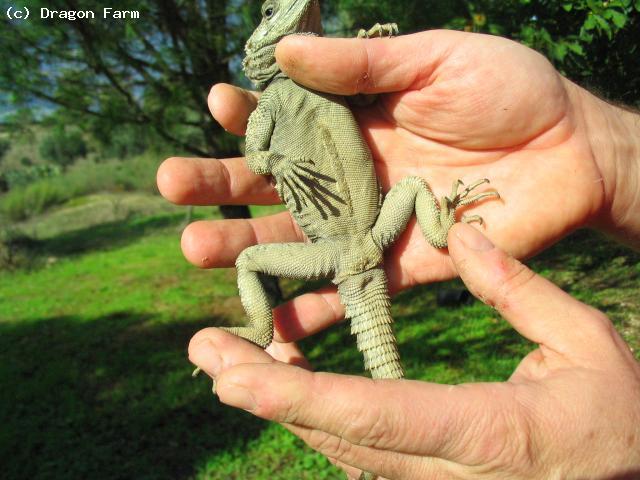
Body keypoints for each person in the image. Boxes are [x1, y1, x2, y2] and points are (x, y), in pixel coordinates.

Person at [157, 30, 640, 479]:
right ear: (258, 45)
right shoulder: (266, 108)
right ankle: (262, 328)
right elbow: (257, 157)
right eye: (270, 14)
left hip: (371, 235)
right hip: (331, 252)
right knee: (249, 258)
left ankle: (439, 225)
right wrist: (276, 161)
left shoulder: (323, 81)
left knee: (410, 184)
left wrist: (368, 49)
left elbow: (368, 96)